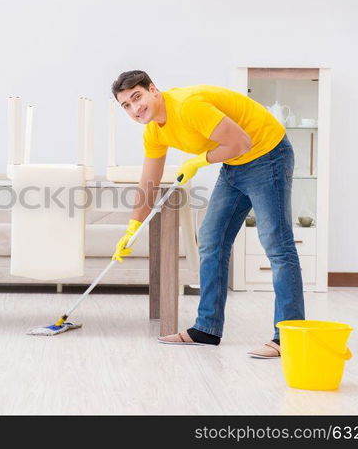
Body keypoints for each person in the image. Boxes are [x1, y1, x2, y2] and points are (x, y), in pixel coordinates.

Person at [111, 70, 305, 358]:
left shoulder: (188, 106)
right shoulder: (154, 131)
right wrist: (132, 228)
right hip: (235, 164)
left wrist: (199, 161)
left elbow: (241, 142)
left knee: (277, 245)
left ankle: (288, 337)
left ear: (153, 89)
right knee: (212, 240)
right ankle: (207, 329)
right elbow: (149, 182)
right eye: (126, 105)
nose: (135, 108)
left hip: (267, 154)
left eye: (137, 97)